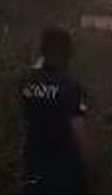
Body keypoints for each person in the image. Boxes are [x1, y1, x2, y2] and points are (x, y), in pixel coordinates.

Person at [20, 27, 90, 195]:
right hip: (63, 172)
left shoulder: (27, 81)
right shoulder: (70, 85)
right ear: (67, 52)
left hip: (32, 167)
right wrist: (88, 166)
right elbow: (77, 130)